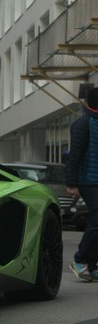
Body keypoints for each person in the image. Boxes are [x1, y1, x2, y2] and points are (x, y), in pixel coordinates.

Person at [66, 86, 98, 281]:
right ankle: (79, 260)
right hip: (88, 180)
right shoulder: (83, 124)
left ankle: (92, 265)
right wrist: (72, 183)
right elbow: (74, 155)